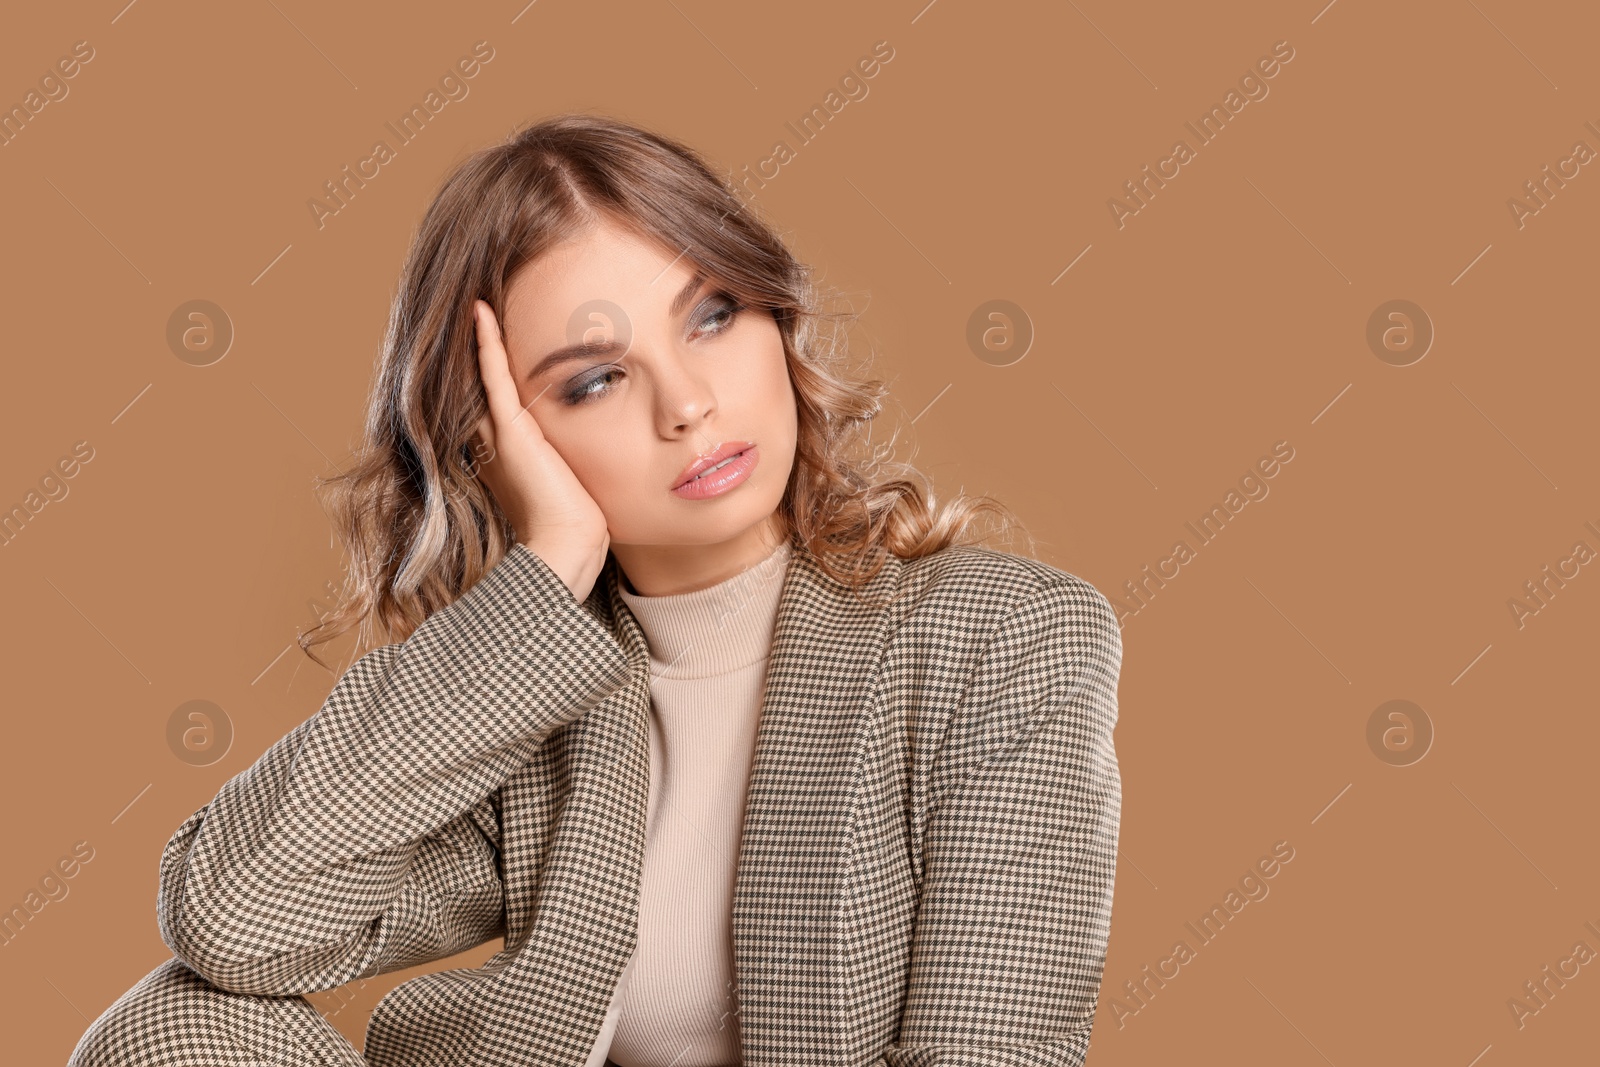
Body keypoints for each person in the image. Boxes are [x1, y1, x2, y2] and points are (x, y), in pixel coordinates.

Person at [66, 113, 1123, 1067]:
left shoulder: (1007, 637)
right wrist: (549, 563)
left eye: (711, 316)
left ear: (777, 317)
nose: (689, 405)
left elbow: (993, 1051)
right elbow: (234, 915)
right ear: (502, 441)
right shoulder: (537, 684)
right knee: (180, 1024)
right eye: (594, 377)